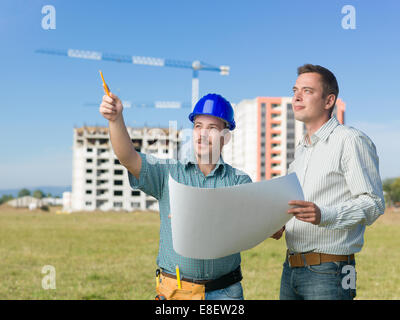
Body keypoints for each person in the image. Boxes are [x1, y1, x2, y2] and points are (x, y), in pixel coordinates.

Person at [99, 92, 252, 300]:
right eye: (198, 126)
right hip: (176, 292)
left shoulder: (239, 182)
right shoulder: (167, 173)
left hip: (227, 293)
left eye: (212, 128)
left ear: (226, 136)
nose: (202, 134)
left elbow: (248, 229)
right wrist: (116, 120)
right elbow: (128, 157)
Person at [274, 64, 385, 300]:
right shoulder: (301, 151)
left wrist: (324, 214)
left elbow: (373, 203)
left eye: (307, 91)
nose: (296, 96)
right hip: (291, 268)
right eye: (295, 90)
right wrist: (277, 223)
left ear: (328, 101)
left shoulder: (350, 140)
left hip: (330, 272)